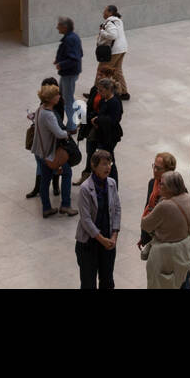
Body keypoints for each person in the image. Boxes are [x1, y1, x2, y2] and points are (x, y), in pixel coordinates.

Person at [140, 170, 190, 289]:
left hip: (166, 255)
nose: (159, 185)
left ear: (171, 187)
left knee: (163, 283)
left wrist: (151, 208)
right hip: (184, 250)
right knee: (184, 280)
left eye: (162, 184)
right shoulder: (186, 197)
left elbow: (145, 224)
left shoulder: (165, 205)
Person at [74, 149, 121, 289]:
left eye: (110, 163)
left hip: (108, 242)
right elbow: (86, 220)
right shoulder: (85, 189)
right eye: (104, 164)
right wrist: (102, 239)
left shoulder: (112, 183)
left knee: (107, 281)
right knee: (88, 283)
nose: (108, 167)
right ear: (94, 166)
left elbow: (117, 209)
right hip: (89, 244)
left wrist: (114, 236)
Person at [33, 83, 75, 218]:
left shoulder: (40, 109)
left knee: (45, 180)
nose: (59, 96)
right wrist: (67, 133)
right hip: (49, 153)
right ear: (51, 98)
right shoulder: (49, 115)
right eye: (57, 94)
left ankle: (46, 208)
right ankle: (66, 205)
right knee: (67, 173)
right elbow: (59, 133)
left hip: (40, 151)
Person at [76, 78, 123, 186]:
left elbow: (113, 120)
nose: (98, 92)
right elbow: (100, 113)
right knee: (94, 156)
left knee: (109, 160)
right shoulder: (104, 99)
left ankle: (113, 184)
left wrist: (97, 120)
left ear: (108, 90)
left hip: (109, 136)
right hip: (100, 134)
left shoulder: (114, 102)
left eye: (101, 90)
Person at [138, 151, 177, 248]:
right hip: (152, 235)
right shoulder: (152, 183)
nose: (154, 170)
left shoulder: (176, 188)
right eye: (154, 166)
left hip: (167, 239)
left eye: (158, 168)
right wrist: (143, 235)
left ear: (168, 170)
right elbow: (148, 207)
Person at [53, 17, 82, 133]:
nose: (57, 28)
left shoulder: (70, 39)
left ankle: (72, 126)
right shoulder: (72, 37)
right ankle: (83, 116)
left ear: (65, 27)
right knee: (67, 97)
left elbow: (74, 59)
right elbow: (79, 54)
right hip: (69, 73)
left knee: (67, 100)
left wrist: (62, 64)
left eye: (59, 25)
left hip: (69, 73)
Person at [95, 6, 130, 100]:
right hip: (122, 48)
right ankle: (123, 92)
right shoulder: (118, 21)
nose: (103, 13)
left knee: (102, 70)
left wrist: (102, 32)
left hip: (114, 50)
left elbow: (113, 35)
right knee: (117, 71)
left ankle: (96, 93)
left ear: (110, 13)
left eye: (104, 11)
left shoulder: (109, 22)